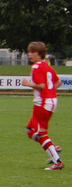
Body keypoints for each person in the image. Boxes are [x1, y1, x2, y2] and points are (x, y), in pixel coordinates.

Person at [21, 41, 63, 170]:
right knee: (30, 130)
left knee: (41, 133)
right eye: (29, 52)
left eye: (33, 52)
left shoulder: (36, 67)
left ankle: (57, 162)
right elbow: (58, 82)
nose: (30, 54)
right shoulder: (47, 66)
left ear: (40, 54)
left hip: (43, 103)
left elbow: (41, 86)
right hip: (50, 101)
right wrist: (50, 93)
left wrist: (28, 84)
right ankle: (53, 148)